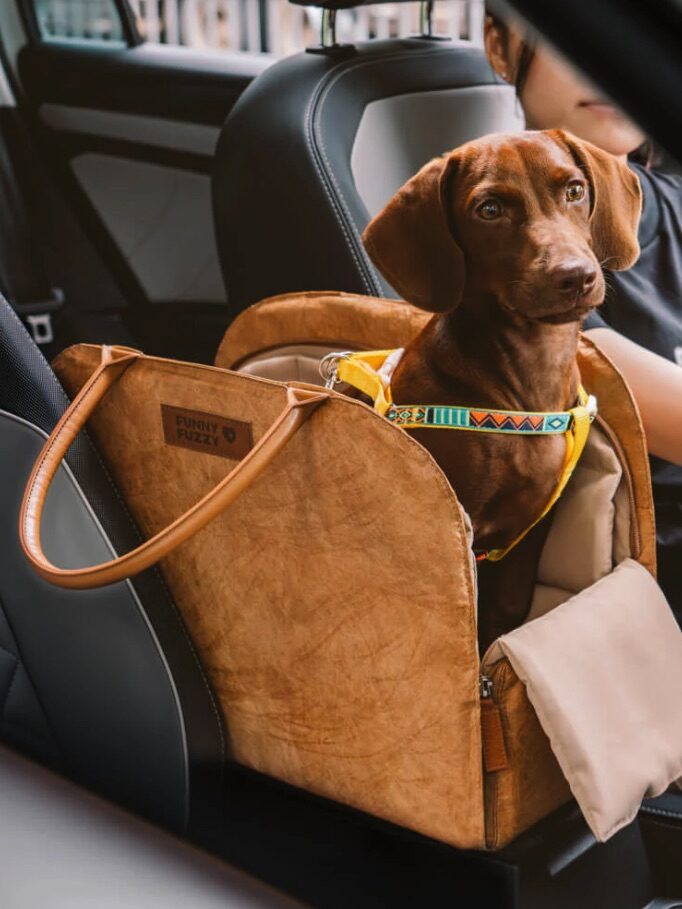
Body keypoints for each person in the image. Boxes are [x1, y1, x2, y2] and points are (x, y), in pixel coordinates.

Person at [483, 5, 682, 621]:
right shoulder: (511, 249)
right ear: (499, 44)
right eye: (588, 35)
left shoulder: (669, 197)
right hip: (638, 576)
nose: (612, 63)